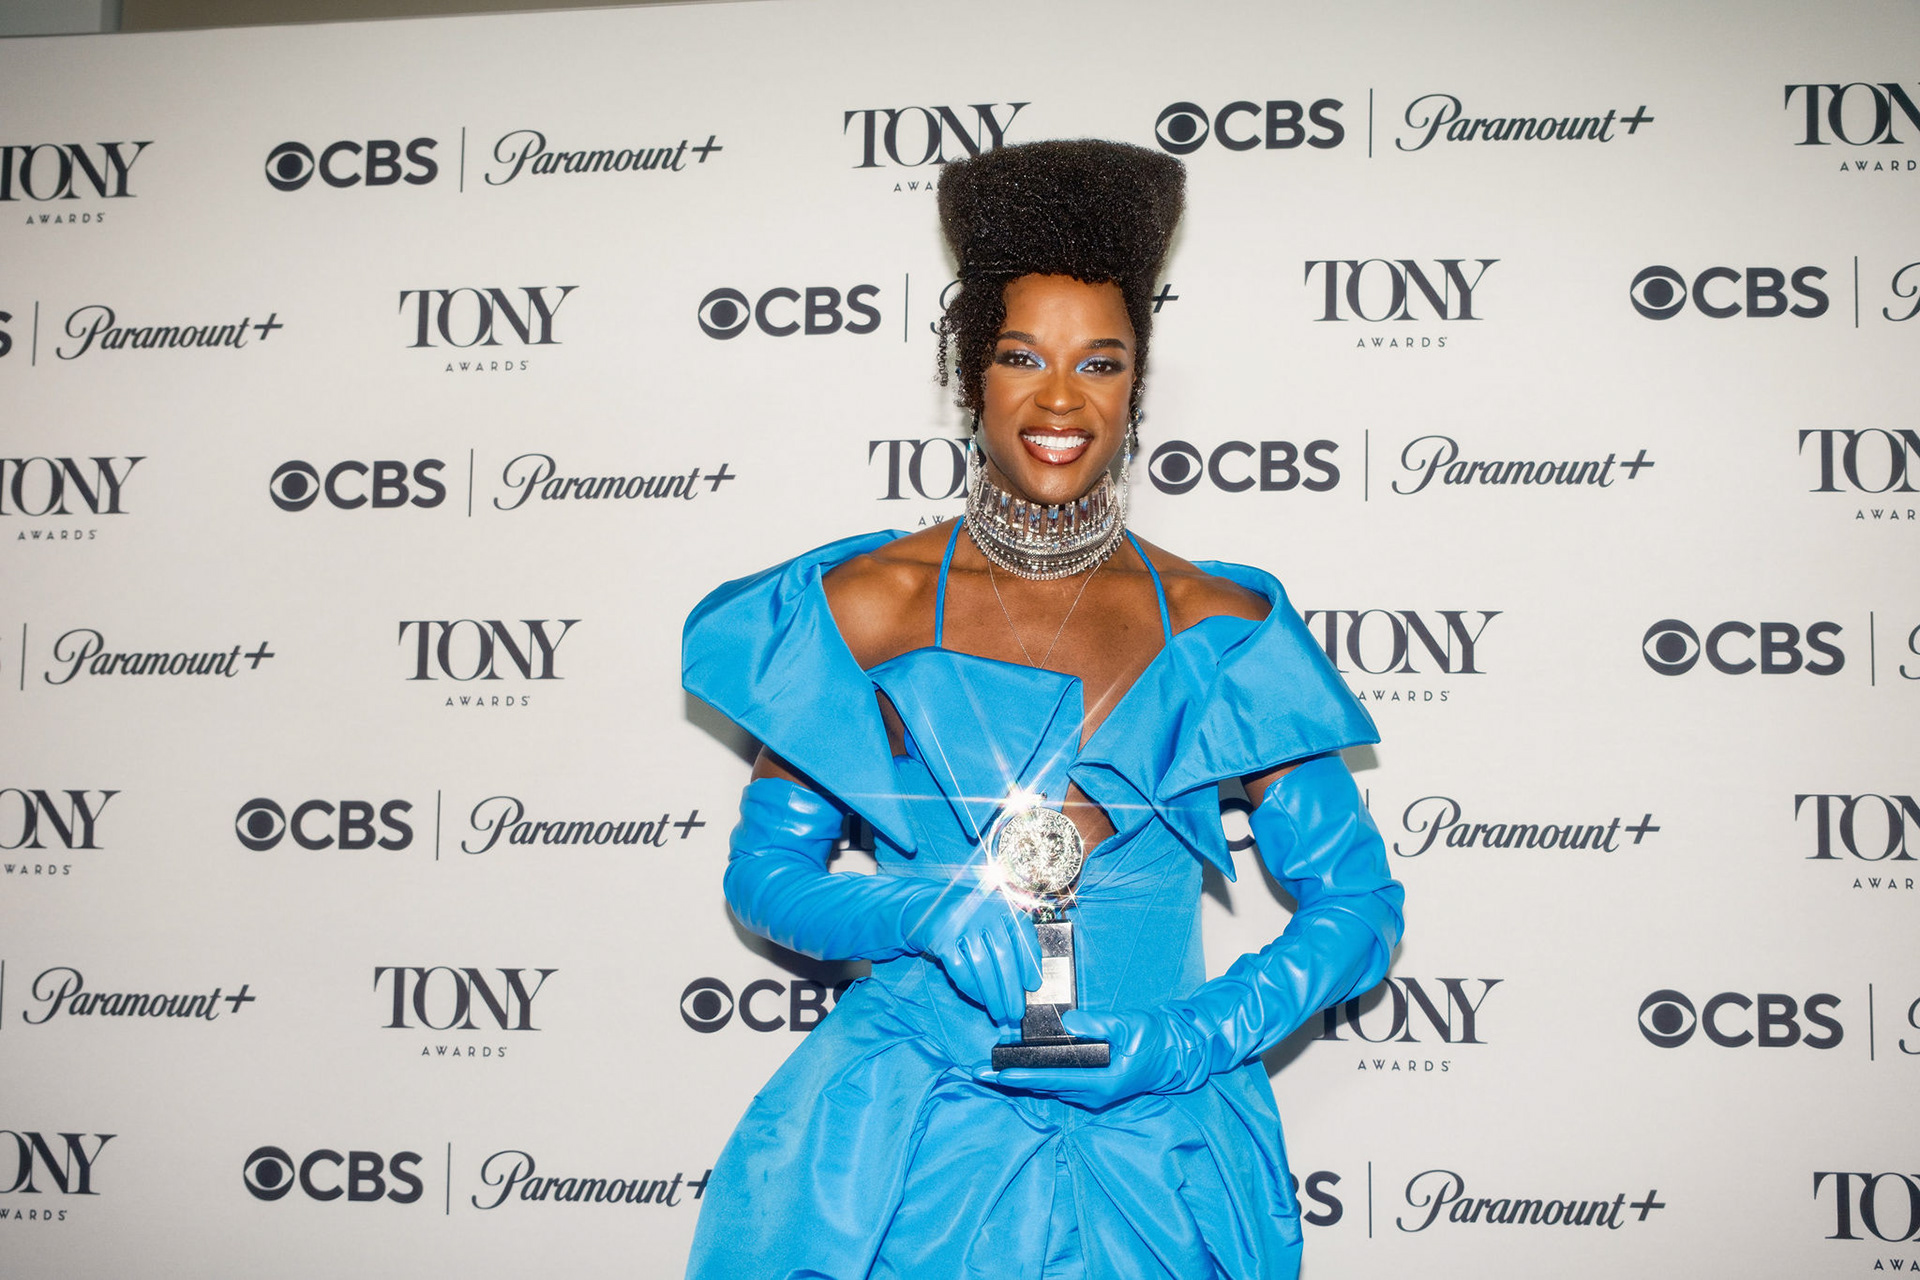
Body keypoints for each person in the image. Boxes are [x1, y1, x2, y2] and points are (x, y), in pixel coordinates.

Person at [681, 138, 1404, 1280]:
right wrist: (914, 910)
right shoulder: (866, 605)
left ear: (1136, 384)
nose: (1060, 398)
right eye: (1022, 356)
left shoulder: (1220, 626)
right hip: (909, 1150)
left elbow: (1357, 906)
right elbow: (766, 878)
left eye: (1100, 363)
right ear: (970, 373)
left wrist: (1189, 1037)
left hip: (1159, 1153)